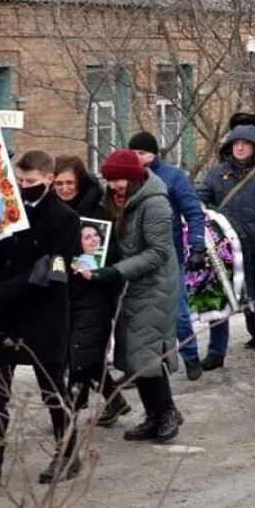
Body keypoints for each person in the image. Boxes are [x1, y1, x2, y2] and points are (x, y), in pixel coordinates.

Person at [0, 150, 80, 496]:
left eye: (31, 182)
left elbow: (48, 271)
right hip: (2, 317)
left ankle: (67, 452)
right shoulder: (4, 210)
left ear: (48, 179)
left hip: (43, 315)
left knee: (52, 388)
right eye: (20, 181)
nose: (24, 187)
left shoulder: (64, 218)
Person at [84, 149, 182, 443]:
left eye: (118, 180)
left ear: (134, 178)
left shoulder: (155, 204)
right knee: (132, 351)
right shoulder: (119, 199)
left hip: (155, 283)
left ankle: (166, 414)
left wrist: (117, 271)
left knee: (146, 350)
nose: (113, 185)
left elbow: (158, 252)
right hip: (133, 281)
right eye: (110, 180)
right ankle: (153, 415)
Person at [197, 122, 255, 366]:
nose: (240, 148)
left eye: (245, 144)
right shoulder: (217, 174)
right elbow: (201, 199)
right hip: (224, 248)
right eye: (236, 144)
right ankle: (216, 352)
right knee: (219, 297)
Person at [53, 156, 131, 427]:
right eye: (58, 183)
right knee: (84, 352)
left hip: (94, 291)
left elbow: (111, 253)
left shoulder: (97, 212)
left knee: (80, 353)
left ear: (80, 182)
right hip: (63, 291)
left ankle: (69, 413)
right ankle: (114, 400)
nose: (64, 189)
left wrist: (94, 268)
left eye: (69, 183)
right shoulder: (52, 211)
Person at [127, 131, 208, 381]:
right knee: (140, 316)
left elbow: (194, 212)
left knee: (178, 313)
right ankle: (142, 368)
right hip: (138, 256)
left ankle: (191, 355)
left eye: (142, 153)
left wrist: (197, 245)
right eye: (134, 153)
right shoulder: (128, 178)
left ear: (153, 153)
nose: (138, 158)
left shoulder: (173, 177)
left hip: (170, 256)